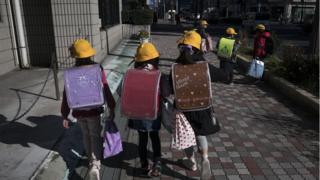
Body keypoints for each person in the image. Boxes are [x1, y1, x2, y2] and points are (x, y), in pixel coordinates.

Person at [173, 31, 228, 180]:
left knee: (186, 136)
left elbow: (172, 89)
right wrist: (227, 61)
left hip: (183, 110)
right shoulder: (205, 66)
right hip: (203, 108)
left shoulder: (176, 68)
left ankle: (191, 161)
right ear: (199, 48)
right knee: (200, 134)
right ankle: (205, 158)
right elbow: (226, 77)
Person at [61, 39, 116, 180]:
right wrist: (112, 105)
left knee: (86, 135)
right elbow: (105, 87)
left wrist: (65, 114)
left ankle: (91, 160)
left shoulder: (71, 73)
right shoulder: (97, 69)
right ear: (89, 54)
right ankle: (95, 164)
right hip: (93, 110)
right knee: (95, 136)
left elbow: (67, 93)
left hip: (79, 112)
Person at [126, 42, 163, 177]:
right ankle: (157, 164)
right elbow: (165, 92)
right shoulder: (158, 74)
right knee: (155, 137)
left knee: (142, 139)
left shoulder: (132, 74)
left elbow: (124, 93)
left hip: (138, 114)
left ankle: (144, 164)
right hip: (154, 113)